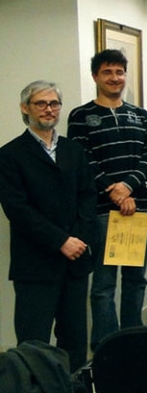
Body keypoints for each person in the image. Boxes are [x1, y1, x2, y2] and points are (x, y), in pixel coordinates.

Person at [0, 80, 97, 371]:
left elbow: (88, 196)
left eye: (54, 103)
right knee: (34, 344)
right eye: (41, 103)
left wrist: (77, 239)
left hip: (75, 262)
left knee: (76, 340)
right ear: (25, 108)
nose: (49, 109)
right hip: (36, 265)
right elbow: (18, 210)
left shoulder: (73, 150)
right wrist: (60, 241)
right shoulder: (9, 155)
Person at [67, 49, 147, 350]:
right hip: (103, 211)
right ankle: (106, 344)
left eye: (119, 72)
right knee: (104, 285)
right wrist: (114, 191)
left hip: (139, 209)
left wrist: (128, 187)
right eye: (107, 72)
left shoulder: (141, 115)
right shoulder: (80, 116)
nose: (114, 78)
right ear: (96, 76)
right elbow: (83, 160)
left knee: (135, 281)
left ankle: (133, 339)